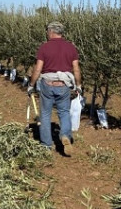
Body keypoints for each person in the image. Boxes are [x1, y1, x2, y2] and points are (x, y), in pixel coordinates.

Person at [27, 21, 82, 154]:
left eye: (47, 31)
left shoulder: (44, 47)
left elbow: (38, 69)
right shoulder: (71, 48)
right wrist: (78, 85)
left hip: (47, 85)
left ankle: (46, 145)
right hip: (63, 86)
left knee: (45, 114)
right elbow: (76, 69)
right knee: (64, 112)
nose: (47, 34)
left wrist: (31, 85)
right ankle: (65, 135)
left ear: (51, 32)